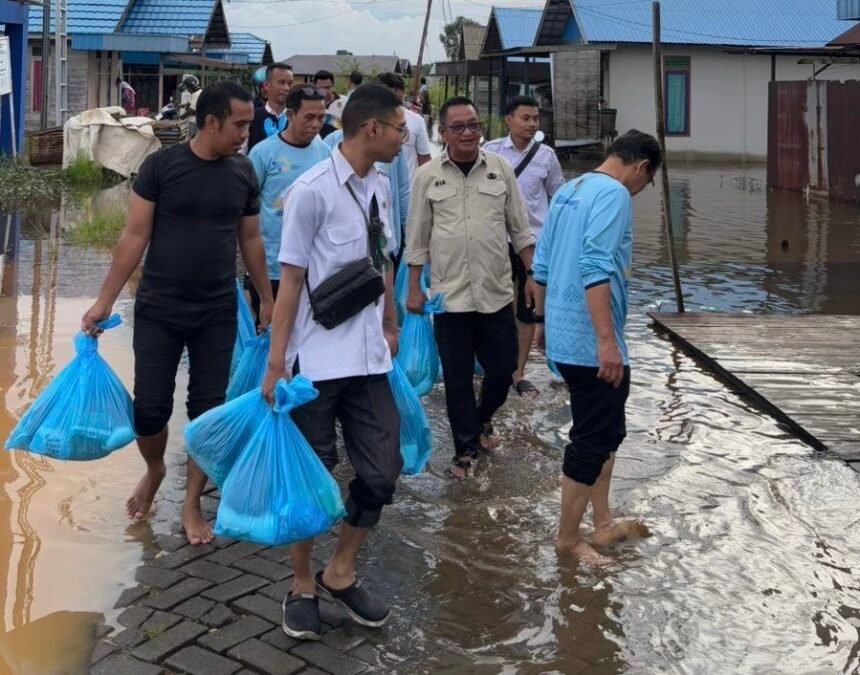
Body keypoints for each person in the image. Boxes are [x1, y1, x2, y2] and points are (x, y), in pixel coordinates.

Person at [80, 81, 274, 545]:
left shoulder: (243, 173)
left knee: (207, 411)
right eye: (240, 124)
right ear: (211, 122)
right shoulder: (160, 167)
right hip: (159, 308)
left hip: (216, 310)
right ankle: (154, 467)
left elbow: (250, 240)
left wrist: (266, 298)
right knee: (149, 409)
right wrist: (104, 299)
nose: (247, 132)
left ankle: (190, 505)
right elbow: (133, 235)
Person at [262, 83, 406, 640]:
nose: (404, 137)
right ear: (372, 128)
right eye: (398, 128)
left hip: (370, 359)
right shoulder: (311, 191)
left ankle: (339, 570)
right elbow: (291, 281)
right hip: (315, 364)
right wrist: (276, 366)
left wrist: (391, 323)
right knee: (311, 477)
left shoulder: (382, 185)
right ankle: (301, 583)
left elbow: (381, 259)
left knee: (381, 471)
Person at [531, 130, 661, 564]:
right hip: (591, 337)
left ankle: (602, 522)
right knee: (591, 438)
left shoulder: (570, 189)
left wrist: (543, 324)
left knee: (608, 430)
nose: (641, 190)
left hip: (566, 332)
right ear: (641, 167)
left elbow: (542, 264)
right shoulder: (613, 194)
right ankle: (567, 539)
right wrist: (606, 341)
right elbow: (594, 264)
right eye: (647, 181)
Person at [405, 97, 535, 479]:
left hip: (496, 292)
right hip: (450, 297)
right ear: (442, 133)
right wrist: (414, 287)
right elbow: (417, 236)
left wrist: (532, 277)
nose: (467, 133)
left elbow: (520, 229)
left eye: (474, 125)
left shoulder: (500, 169)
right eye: (458, 127)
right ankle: (465, 449)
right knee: (457, 377)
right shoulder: (428, 177)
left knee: (503, 368)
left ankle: (481, 420)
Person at [484, 96, 565, 398]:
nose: (532, 123)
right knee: (494, 303)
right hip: (495, 242)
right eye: (526, 118)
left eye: (536, 119)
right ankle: (494, 364)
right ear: (509, 120)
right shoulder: (490, 152)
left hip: (534, 244)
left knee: (528, 308)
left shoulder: (546, 156)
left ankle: (518, 373)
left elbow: (558, 199)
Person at [247, 85, 332, 320]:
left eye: (321, 118)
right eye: (309, 117)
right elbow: (246, 216)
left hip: (312, 269)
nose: (316, 125)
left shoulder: (325, 154)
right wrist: (247, 277)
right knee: (269, 337)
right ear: (290, 114)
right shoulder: (263, 153)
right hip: (271, 268)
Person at [323, 127, 410, 267]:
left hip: (386, 243)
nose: (403, 138)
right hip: (343, 252)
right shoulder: (332, 141)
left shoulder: (392, 149)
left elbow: (403, 191)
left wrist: (410, 236)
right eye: (399, 128)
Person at [377, 72, 431, 178]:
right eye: (388, 91)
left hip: (408, 190)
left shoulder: (417, 121)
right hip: (377, 190)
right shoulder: (371, 120)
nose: (394, 95)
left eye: (397, 91)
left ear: (402, 92)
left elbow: (424, 159)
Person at [248, 63, 294, 152]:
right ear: (267, 85)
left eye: (289, 83)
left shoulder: (296, 118)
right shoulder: (252, 117)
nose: (287, 88)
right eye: (281, 82)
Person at [313, 69, 340, 138]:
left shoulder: (345, 103)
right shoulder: (308, 104)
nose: (324, 91)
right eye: (321, 88)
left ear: (333, 86)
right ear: (314, 87)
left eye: (328, 87)